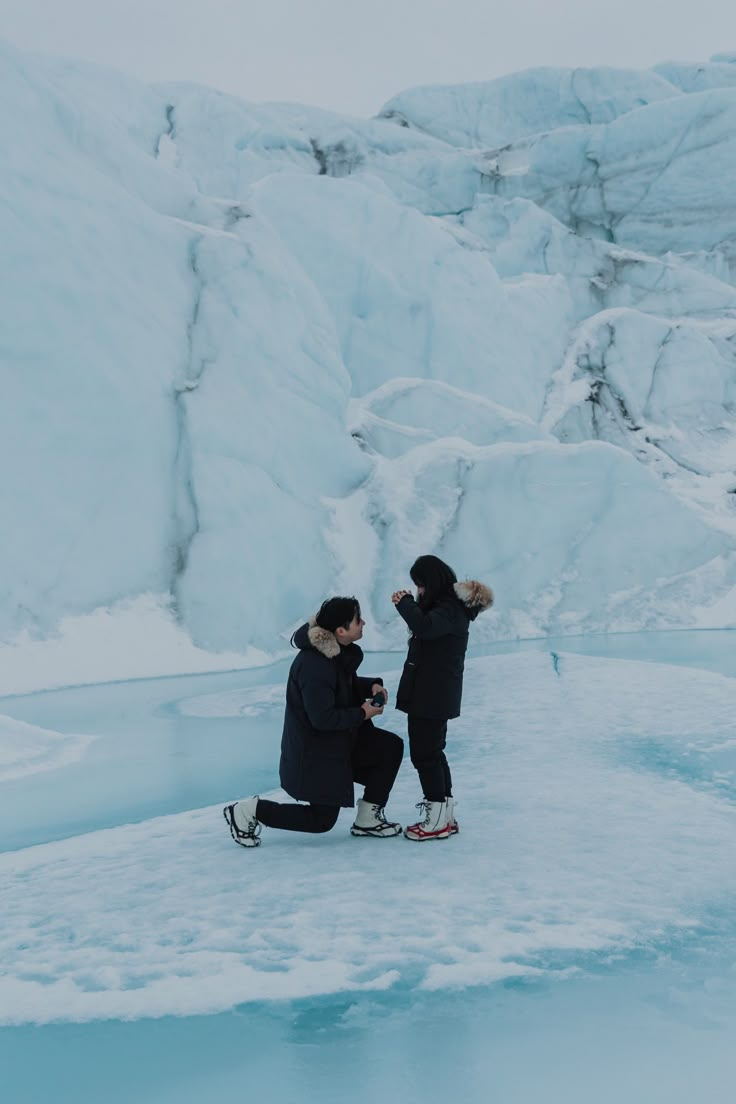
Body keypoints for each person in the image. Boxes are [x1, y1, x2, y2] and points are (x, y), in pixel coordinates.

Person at [223, 596, 404, 847]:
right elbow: (323, 718)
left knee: (389, 747)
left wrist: (370, 685)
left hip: (337, 743)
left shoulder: (332, 654)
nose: (363, 623)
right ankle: (249, 811)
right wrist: (362, 714)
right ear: (340, 631)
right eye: (357, 620)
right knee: (322, 821)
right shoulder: (315, 666)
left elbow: (340, 686)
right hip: (315, 754)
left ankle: (367, 819)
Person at [392, 555, 493, 841]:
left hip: (431, 695)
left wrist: (405, 603)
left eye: (421, 586)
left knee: (425, 755)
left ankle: (436, 820)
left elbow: (424, 627)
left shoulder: (449, 608)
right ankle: (444, 815)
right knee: (433, 753)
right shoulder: (449, 607)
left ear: (432, 582)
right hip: (434, 693)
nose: (419, 591)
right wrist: (414, 603)